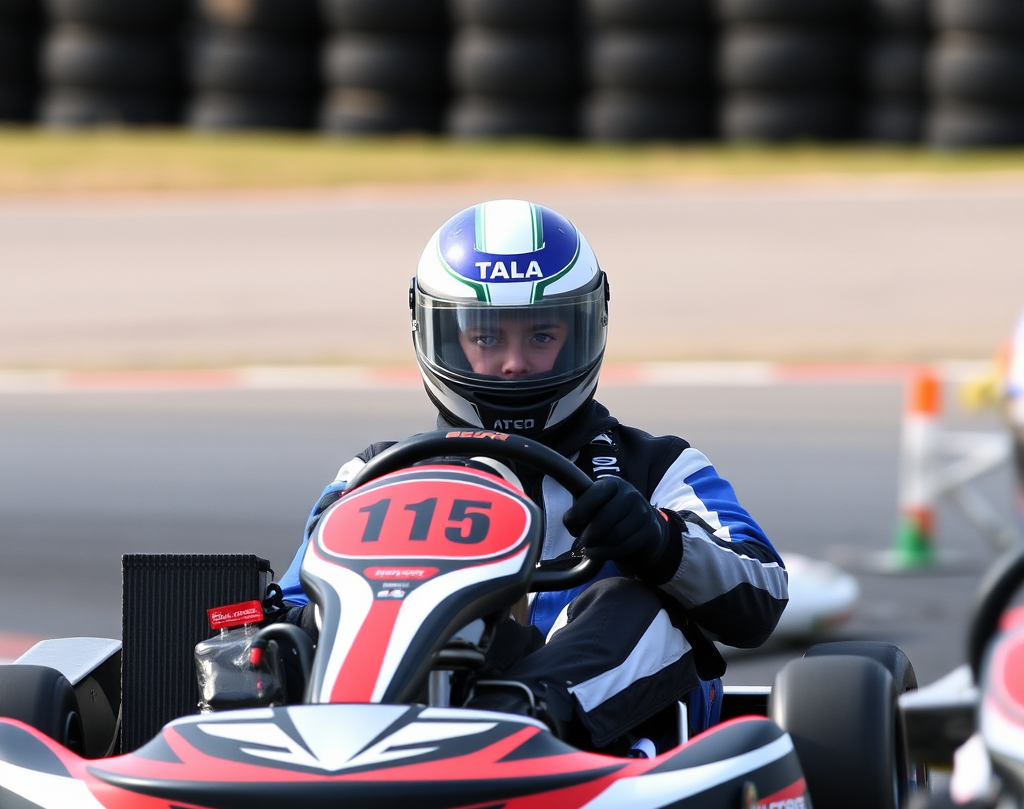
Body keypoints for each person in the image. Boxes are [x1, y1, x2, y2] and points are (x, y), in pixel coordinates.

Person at [278, 200, 788, 756]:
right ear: (442, 335)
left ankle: (519, 725)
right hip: (407, 720)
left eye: (541, 337)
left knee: (635, 601)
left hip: (602, 741)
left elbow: (762, 594)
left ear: (582, 332)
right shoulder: (378, 475)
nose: (515, 364)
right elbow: (289, 607)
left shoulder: (656, 466)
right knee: (280, 641)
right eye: (489, 339)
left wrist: (660, 541)